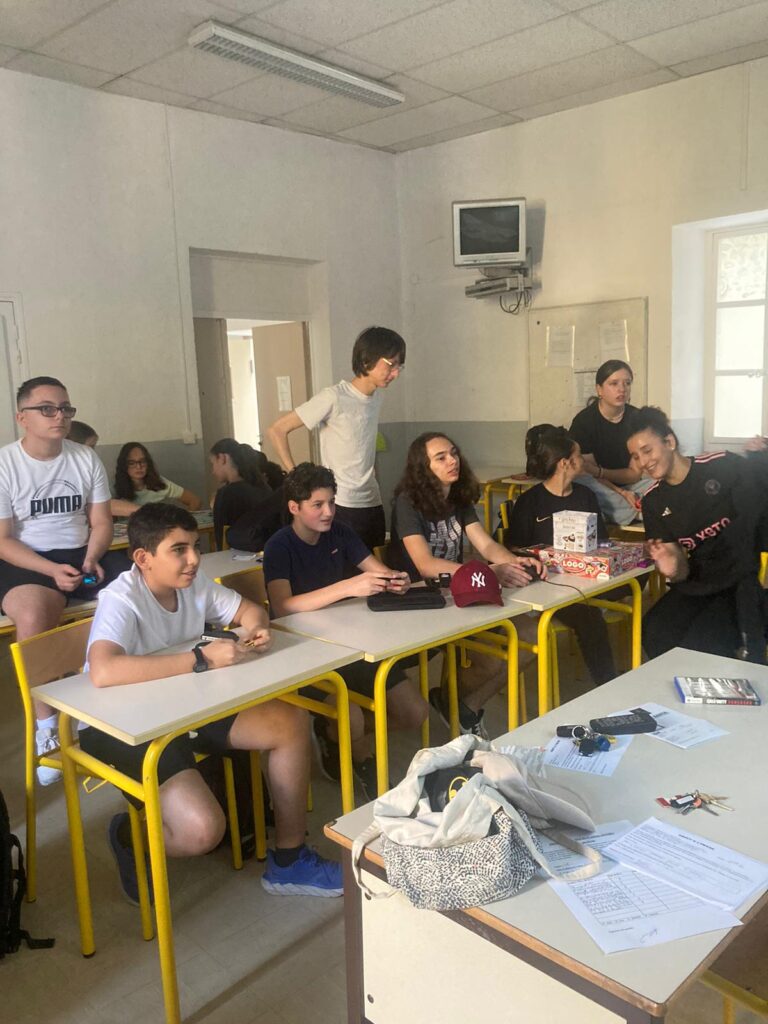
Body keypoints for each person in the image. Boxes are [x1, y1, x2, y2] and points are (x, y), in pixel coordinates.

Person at [80, 502, 342, 900]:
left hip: (185, 705)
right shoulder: (122, 597)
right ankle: (129, 836)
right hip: (120, 725)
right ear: (143, 558)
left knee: (290, 723)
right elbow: (103, 671)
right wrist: (200, 659)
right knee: (202, 831)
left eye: (195, 547)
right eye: (179, 550)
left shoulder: (192, 583)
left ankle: (289, 861)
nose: (193, 559)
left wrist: (256, 629)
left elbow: (248, 610)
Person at [263, 462, 426, 799]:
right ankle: (355, 749)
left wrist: (395, 580)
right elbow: (282, 606)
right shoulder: (280, 545)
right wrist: (349, 587)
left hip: (350, 642)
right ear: (294, 507)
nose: (328, 512)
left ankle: (337, 735)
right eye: (317, 505)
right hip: (304, 654)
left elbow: (378, 571)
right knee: (351, 717)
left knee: (415, 713)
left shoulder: (341, 532)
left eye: (331, 502)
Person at [0, 376, 126, 784]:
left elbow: (101, 521)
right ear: (22, 417)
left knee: (139, 588)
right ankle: (47, 727)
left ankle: (98, 694)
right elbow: (3, 540)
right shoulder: (5, 464)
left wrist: (92, 556)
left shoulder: (84, 458)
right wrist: (50, 571)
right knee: (34, 615)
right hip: (27, 558)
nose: (60, 416)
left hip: (82, 550)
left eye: (66, 408)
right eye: (47, 409)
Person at [389, 432, 542, 737]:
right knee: (490, 660)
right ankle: (452, 704)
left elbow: (486, 545)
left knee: (530, 634)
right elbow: (425, 565)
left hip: (458, 595)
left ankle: (463, 707)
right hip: (421, 601)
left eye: (454, 453)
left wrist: (514, 562)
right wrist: (487, 573)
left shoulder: (458, 498)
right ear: (423, 468)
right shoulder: (407, 502)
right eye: (441, 457)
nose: (452, 461)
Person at [627, 406, 768, 663]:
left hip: (740, 580)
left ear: (669, 442)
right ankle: (684, 684)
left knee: (702, 642)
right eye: (636, 456)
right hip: (699, 582)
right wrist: (671, 567)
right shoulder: (653, 501)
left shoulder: (721, 465)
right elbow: (680, 570)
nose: (643, 462)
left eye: (647, 451)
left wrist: (761, 455)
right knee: (655, 632)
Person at [267, 326, 406, 551]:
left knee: (376, 565)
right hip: (341, 504)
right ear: (367, 359)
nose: (396, 373)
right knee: (345, 569)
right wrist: (295, 478)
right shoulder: (334, 397)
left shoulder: (377, 397)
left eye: (399, 366)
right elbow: (277, 430)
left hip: (372, 500)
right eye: (391, 364)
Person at [503, 425, 616, 685]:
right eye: (579, 456)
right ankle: (608, 684)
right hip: (548, 586)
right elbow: (514, 549)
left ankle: (611, 681)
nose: (583, 461)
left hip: (585, 579)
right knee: (590, 618)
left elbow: (601, 541)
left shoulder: (586, 496)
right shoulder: (530, 501)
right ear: (565, 463)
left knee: (632, 582)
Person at [569, 360, 652, 526]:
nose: (622, 389)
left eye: (627, 383)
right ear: (599, 389)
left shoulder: (637, 418)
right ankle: (640, 512)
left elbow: (634, 474)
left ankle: (623, 511)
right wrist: (621, 492)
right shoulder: (584, 421)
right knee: (581, 482)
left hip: (634, 485)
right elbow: (589, 472)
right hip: (603, 487)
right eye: (614, 384)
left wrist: (602, 472)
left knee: (662, 479)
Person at [209, 438, 273, 550]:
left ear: (222, 458)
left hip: (234, 557)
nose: (212, 471)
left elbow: (222, 541)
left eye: (213, 463)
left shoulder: (226, 494)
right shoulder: (265, 488)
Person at [114, 442, 201, 513]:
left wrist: (183, 524)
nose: (139, 467)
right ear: (124, 465)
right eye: (132, 463)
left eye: (142, 461)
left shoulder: (158, 482)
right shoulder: (114, 486)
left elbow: (195, 501)